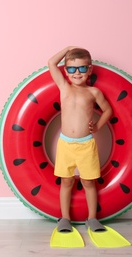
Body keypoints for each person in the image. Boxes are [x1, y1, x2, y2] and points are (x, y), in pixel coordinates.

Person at [48, 46, 113, 232]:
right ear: (66, 71)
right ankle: (65, 218)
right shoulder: (64, 88)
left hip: (86, 145)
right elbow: (51, 63)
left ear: (90, 69)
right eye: (72, 69)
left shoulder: (94, 92)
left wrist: (98, 126)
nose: (77, 73)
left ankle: (92, 218)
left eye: (82, 68)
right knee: (66, 181)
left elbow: (108, 110)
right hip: (66, 144)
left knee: (88, 182)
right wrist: (67, 49)